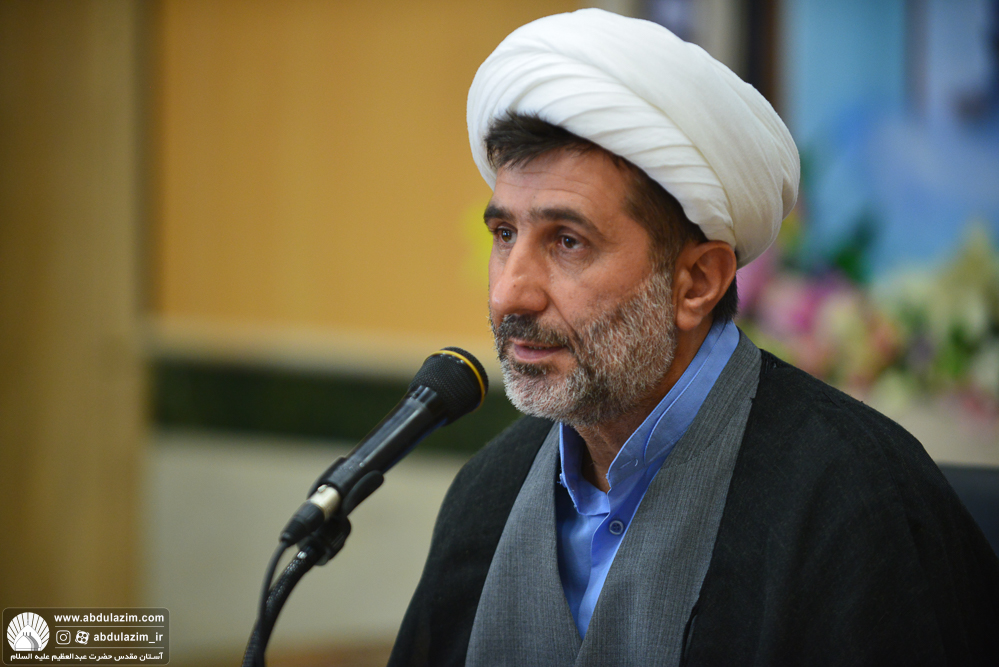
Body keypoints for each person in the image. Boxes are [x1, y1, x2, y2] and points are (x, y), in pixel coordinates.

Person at [388, 9, 999, 666]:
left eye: (567, 241)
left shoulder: (855, 499)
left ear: (696, 282)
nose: (510, 293)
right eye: (505, 235)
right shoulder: (488, 493)